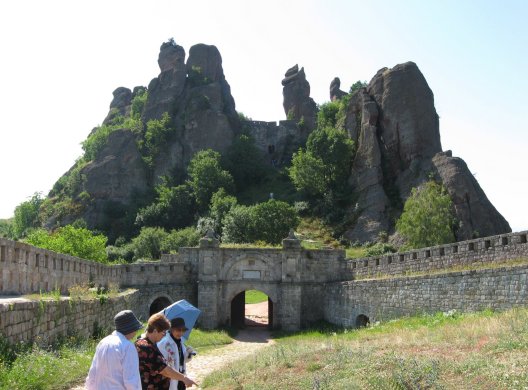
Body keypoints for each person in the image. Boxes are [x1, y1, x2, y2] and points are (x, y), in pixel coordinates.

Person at [135, 313, 197, 389]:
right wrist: (184, 379)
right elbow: (164, 370)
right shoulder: (145, 347)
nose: (164, 335)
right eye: (163, 332)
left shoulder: (150, 343)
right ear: (155, 330)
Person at [85, 309, 143, 390]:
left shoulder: (103, 342)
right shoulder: (127, 346)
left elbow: (92, 374)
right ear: (130, 329)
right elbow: (131, 381)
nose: (136, 331)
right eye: (135, 329)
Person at [157, 318, 196, 390]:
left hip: (181, 376)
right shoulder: (164, 344)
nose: (181, 333)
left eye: (183, 330)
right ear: (172, 329)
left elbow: (184, 360)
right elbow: (162, 365)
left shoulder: (181, 342)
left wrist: (188, 354)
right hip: (169, 379)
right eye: (178, 330)